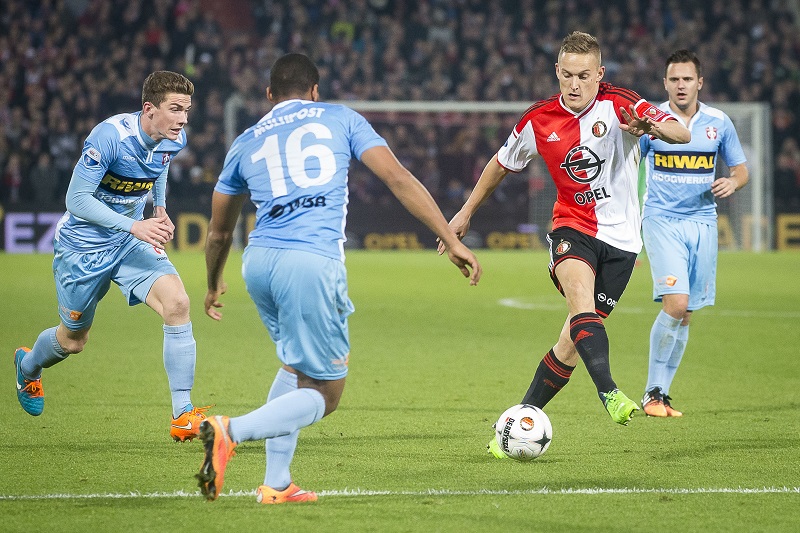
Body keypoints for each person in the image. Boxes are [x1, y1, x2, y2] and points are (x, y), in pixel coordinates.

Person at [195, 53, 481, 504]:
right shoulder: (340, 117)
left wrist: (213, 284)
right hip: (310, 260)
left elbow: (218, 231)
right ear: (314, 90)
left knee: (295, 366)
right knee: (326, 393)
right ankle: (230, 431)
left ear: (269, 95)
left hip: (259, 261)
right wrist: (451, 237)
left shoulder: (246, 141)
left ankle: (277, 483)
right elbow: (398, 177)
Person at [439, 31, 691, 457]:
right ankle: (610, 392)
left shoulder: (621, 104)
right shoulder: (538, 120)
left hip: (624, 243)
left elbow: (680, 133)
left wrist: (654, 128)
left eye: (585, 76)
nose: (575, 85)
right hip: (571, 228)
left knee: (570, 342)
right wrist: (464, 214)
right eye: (568, 75)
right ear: (557, 72)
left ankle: (514, 424)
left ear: (600, 75)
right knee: (580, 301)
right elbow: (500, 165)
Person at [13, 71, 210, 442]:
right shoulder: (109, 138)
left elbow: (160, 167)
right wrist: (135, 226)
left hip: (129, 242)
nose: (183, 118)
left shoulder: (174, 139)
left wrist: (160, 208)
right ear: (149, 109)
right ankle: (28, 366)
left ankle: (183, 413)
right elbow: (76, 200)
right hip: (82, 248)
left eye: (187, 109)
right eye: (175, 109)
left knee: (178, 303)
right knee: (73, 340)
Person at [640, 50, 748, 417]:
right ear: (665, 83)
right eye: (674, 79)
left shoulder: (719, 122)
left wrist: (733, 183)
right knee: (676, 303)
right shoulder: (652, 121)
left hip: (703, 223)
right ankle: (651, 391)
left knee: (686, 314)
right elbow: (627, 162)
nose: (680, 85)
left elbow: (742, 169)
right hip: (661, 220)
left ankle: (663, 396)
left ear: (699, 82)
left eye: (687, 79)